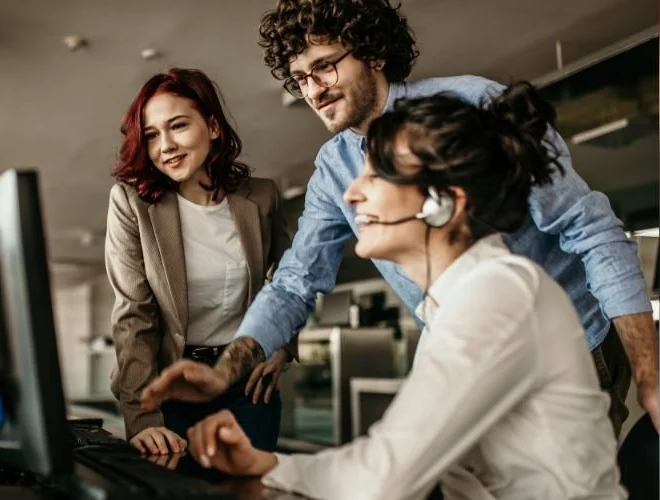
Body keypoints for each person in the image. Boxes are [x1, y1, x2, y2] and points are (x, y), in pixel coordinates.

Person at [141, 0, 659, 436]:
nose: (313, 89)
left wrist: (648, 372)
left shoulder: (471, 104)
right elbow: (296, 280)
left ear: (372, 52)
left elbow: (591, 229)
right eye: (300, 78)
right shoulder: (334, 166)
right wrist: (225, 370)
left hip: (563, 349)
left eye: (325, 65)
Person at [183, 82, 627, 499]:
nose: (353, 194)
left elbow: (382, 478)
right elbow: (391, 463)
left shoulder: (497, 294)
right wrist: (263, 462)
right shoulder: (453, 303)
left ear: (442, 203)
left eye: (376, 176)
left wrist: (270, 466)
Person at [105, 68, 295, 455]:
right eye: (153, 135)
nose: (166, 146)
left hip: (247, 383)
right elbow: (134, 315)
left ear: (212, 127)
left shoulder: (261, 197)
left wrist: (282, 346)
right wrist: (141, 419)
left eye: (177, 126)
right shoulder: (132, 205)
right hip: (171, 384)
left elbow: (289, 282)